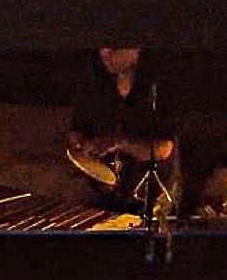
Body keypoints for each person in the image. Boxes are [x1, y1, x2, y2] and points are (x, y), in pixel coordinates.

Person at [67, 47, 179, 215]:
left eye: (114, 46)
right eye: (102, 46)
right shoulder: (94, 86)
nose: (105, 52)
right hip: (99, 197)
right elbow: (76, 130)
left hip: (146, 197)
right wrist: (81, 148)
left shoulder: (157, 89)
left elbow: (164, 149)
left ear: (137, 48)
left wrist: (120, 145)